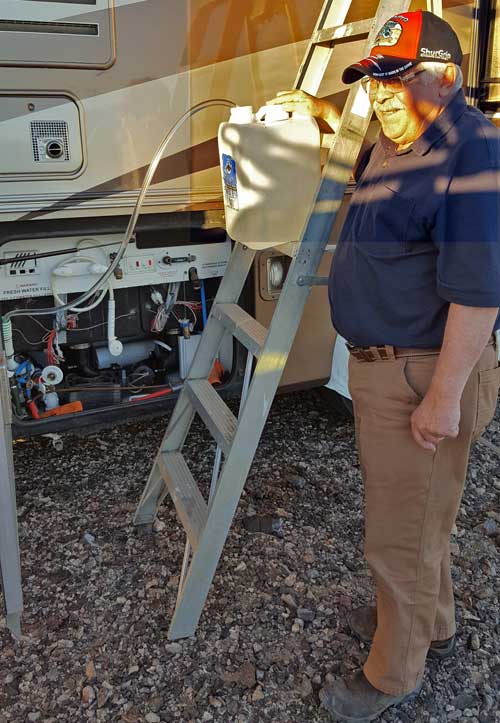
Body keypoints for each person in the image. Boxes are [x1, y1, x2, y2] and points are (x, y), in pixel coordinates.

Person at [268, 10, 500, 722]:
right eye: (374, 78)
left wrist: (443, 396)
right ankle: (435, 626)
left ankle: (393, 675)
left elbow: (481, 291)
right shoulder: (397, 133)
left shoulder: (472, 151)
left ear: (449, 78)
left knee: (396, 538)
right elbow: (362, 114)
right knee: (423, 517)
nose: (382, 94)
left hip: (422, 374)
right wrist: (312, 106)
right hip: (388, 368)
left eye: (399, 77)